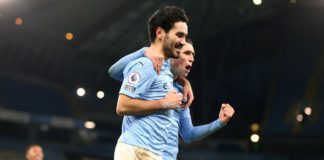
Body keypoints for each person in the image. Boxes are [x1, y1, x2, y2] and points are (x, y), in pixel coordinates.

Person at [109, 40, 235, 160]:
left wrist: (219, 123)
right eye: (187, 53)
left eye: (193, 54)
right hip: (139, 150)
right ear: (172, 55)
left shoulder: (181, 93)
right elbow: (114, 72)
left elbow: (188, 135)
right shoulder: (152, 73)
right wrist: (143, 51)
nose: (192, 58)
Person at [112, 5, 189, 160]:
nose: (183, 42)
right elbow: (122, 106)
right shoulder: (146, 64)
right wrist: (163, 103)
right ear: (160, 33)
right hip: (136, 150)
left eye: (185, 37)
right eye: (179, 35)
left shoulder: (164, 69)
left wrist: (184, 81)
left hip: (152, 153)